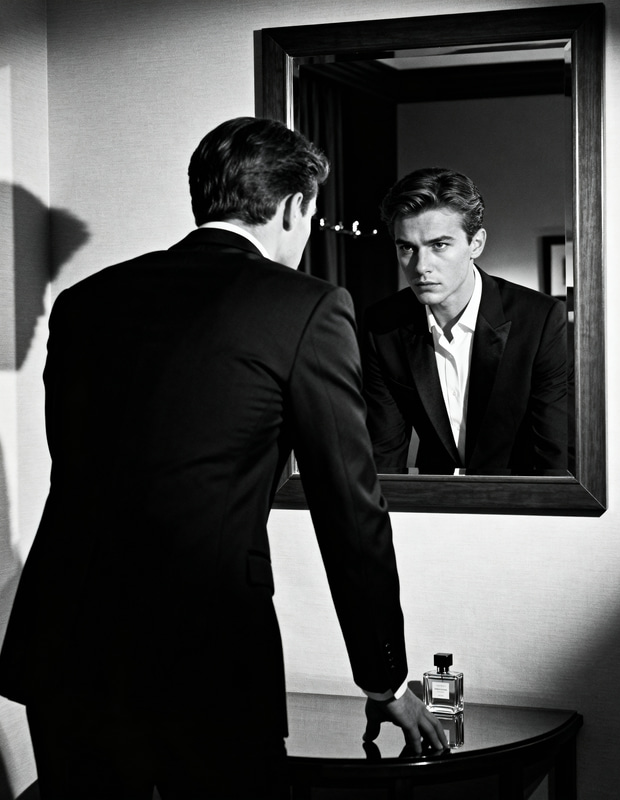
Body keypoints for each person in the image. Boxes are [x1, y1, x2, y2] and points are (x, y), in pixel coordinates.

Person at [0, 117, 446, 799]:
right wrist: (382, 676)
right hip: (202, 650)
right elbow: (349, 508)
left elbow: (83, 467)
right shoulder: (307, 307)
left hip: (63, 639)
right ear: (295, 207)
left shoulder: (84, 303)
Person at [361, 167, 572, 476]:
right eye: (407, 247)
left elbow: (555, 454)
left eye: (439, 245)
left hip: (521, 504)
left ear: (476, 243)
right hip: (436, 505)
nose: (421, 267)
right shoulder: (383, 325)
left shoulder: (540, 320)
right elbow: (383, 453)